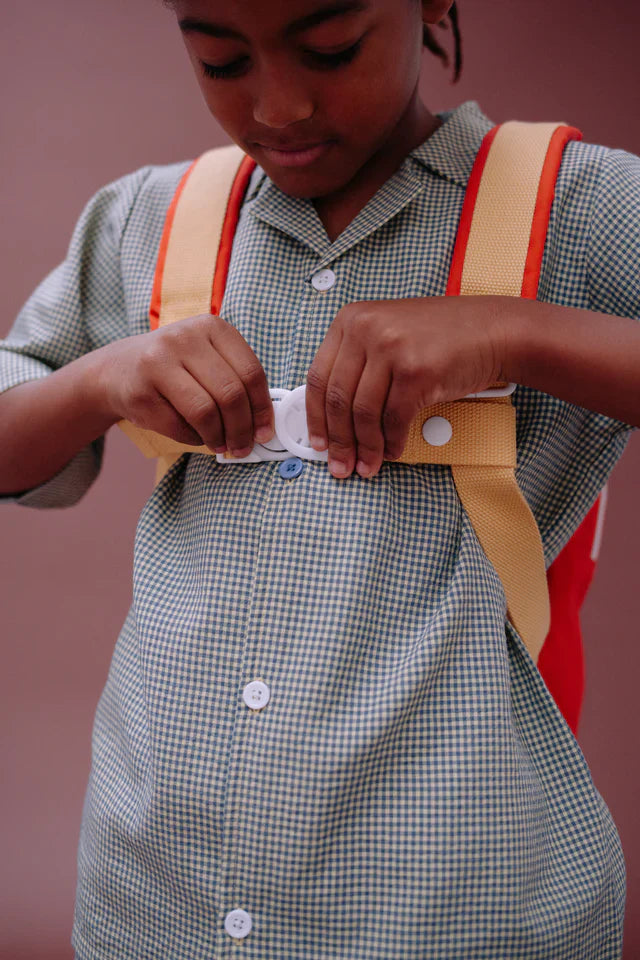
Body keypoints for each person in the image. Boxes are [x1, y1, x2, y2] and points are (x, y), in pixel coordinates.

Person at [0, 0, 638, 956]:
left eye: (329, 49)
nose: (281, 106)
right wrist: (103, 379)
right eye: (221, 61)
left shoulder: (580, 209)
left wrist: (513, 333)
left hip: (452, 911)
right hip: (154, 897)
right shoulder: (148, 220)